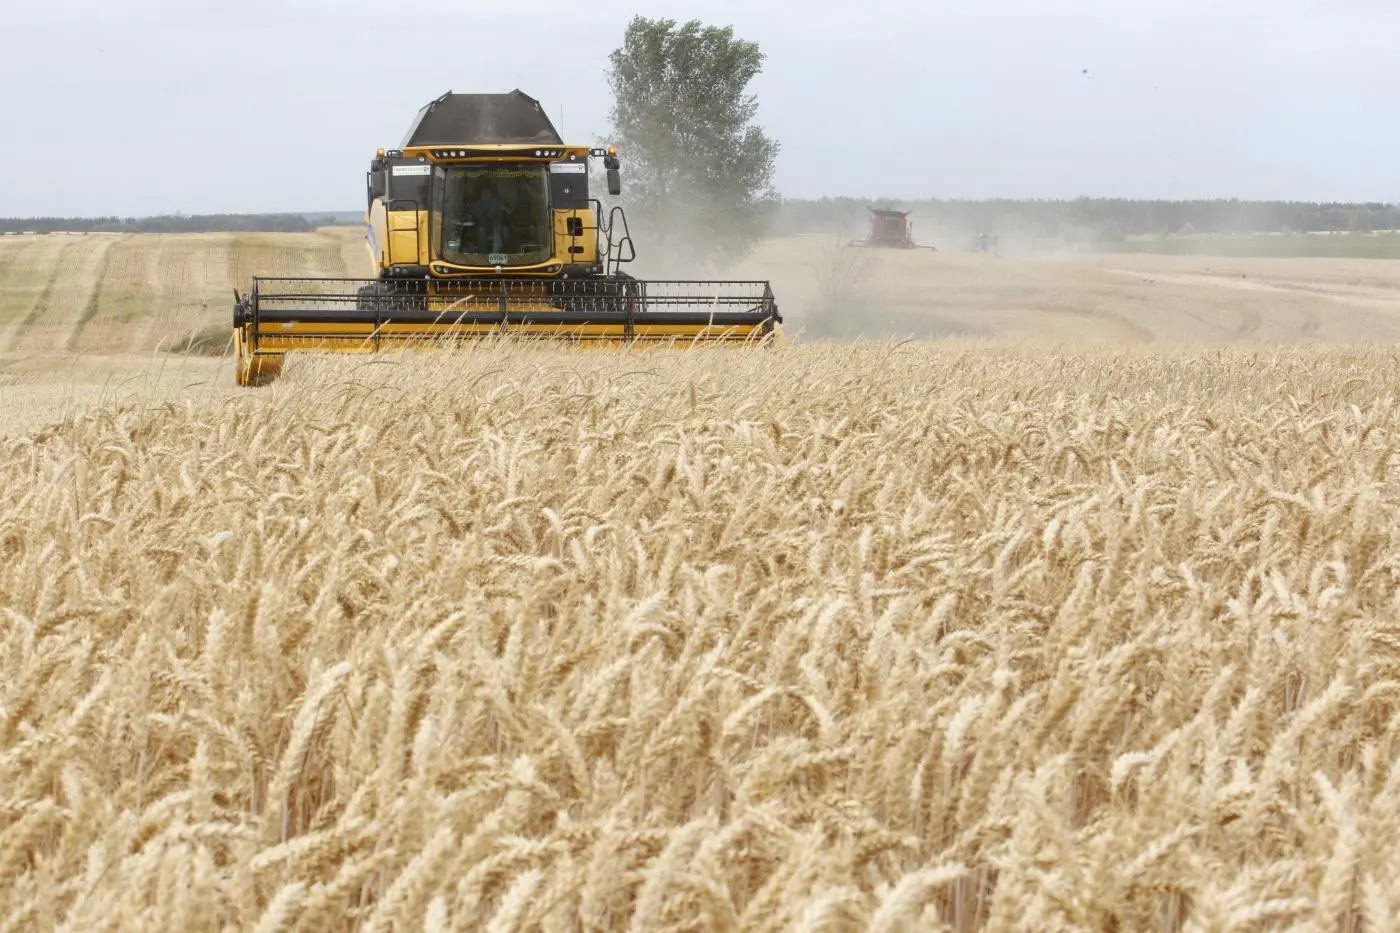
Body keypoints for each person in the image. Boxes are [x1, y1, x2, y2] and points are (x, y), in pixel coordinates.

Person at [468, 185, 509, 255]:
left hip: (494, 224)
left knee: (498, 230)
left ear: (491, 194)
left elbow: (506, 209)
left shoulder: (496, 202)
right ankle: (483, 254)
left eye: (488, 193)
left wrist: (506, 209)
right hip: (481, 224)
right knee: (481, 230)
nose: (486, 195)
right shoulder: (476, 204)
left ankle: (496, 254)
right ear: (480, 194)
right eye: (484, 193)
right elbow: (473, 214)